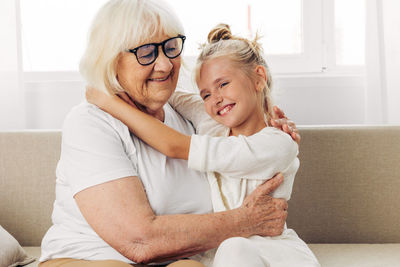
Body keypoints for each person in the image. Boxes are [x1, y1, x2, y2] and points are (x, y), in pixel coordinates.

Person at [39, 1, 297, 266]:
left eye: (171, 47)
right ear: (112, 60)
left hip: (172, 259)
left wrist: (271, 124)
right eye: (147, 52)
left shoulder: (192, 115)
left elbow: (240, 114)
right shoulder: (90, 123)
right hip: (90, 258)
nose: (164, 65)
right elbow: (139, 242)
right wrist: (244, 221)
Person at [86, 23, 320, 267]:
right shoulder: (213, 124)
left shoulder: (279, 144)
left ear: (258, 78)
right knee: (224, 251)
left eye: (223, 84)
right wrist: (120, 81)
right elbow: (168, 94)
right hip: (220, 253)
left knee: (235, 247)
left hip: (271, 253)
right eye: (206, 94)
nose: (215, 99)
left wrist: (108, 102)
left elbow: (173, 146)